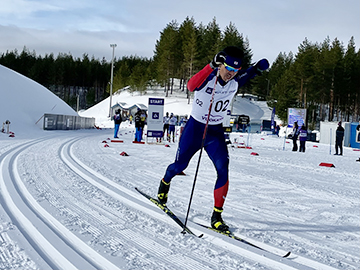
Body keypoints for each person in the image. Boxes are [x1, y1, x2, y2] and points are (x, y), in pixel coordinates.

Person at [156, 46, 269, 232]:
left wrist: (257, 68)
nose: (231, 74)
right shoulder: (208, 78)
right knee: (180, 166)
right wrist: (210, 65)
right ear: (220, 65)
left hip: (214, 133)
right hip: (194, 129)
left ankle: (217, 216)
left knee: (223, 169)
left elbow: (249, 74)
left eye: (235, 71)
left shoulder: (234, 83)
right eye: (228, 69)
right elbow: (191, 86)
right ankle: (165, 182)